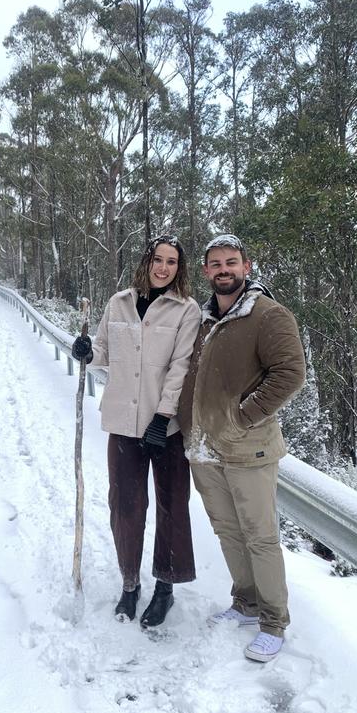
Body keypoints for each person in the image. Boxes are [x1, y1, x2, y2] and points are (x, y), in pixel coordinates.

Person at [178, 233, 306, 662]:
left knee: (261, 536)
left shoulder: (269, 316)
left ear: (247, 267)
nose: (224, 270)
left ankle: (274, 620)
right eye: (215, 264)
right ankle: (246, 603)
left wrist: (242, 416)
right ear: (205, 271)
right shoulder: (202, 319)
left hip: (248, 448)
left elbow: (289, 374)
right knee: (227, 531)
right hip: (203, 448)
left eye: (231, 262)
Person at [72, 235, 201, 627]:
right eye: (158, 259)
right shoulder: (118, 303)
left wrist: (163, 417)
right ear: (145, 262)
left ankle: (165, 588)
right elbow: (105, 353)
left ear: (180, 268)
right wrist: (87, 352)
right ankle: (130, 584)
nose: (163, 268)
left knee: (172, 507)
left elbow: (180, 367)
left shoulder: (186, 310)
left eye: (172, 262)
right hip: (124, 425)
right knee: (125, 507)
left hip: (166, 427)